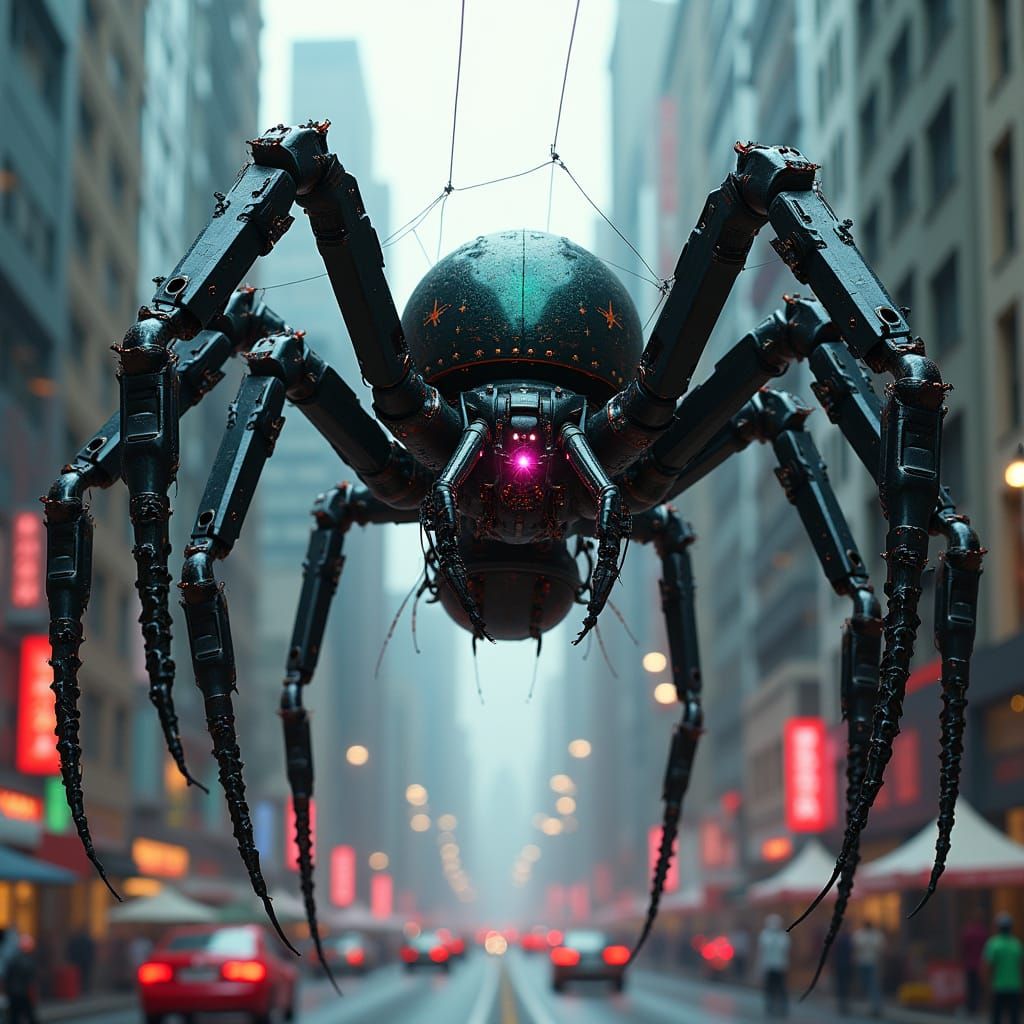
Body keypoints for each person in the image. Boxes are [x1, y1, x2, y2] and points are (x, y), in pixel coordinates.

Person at [984, 912, 1023, 1024]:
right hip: (1014, 986)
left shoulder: (993, 944)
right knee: (1014, 1018)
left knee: (997, 1017)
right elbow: (1021, 966)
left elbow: (987, 966)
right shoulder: (1016, 944)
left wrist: (986, 984)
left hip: (998, 986)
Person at [757, 914, 790, 1017]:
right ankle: (770, 1007)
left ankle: (782, 1007)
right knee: (769, 988)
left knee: (781, 988)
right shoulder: (765, 935)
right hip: (769, 966)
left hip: (780, 966)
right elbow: (761, 952)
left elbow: (786, 951)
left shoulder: (783, 936)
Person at [853, 919, 885, 1017]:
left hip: (872, 963)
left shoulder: (876, 935)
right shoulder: (859, 934)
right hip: (862, 962)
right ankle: (871, 1006)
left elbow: (881, 948)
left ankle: (875, 1007)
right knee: (866, 985)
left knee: (873, 985)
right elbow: (855, 948)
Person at [4, 934, 39, 1024]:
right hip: (22, 993)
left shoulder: (13, 958)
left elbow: (7, 976)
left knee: (14, 1017)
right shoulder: (26, 960)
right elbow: (30, 978)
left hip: (13, 992)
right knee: (29, 1016)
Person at [963, 909, 990, 1016]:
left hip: (969, 963)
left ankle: (971, 1007)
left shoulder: (968, 931)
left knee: (970, 986)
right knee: (979, 987)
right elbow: (986, 948)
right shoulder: (983, 932)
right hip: (980, 964)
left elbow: (964, 947)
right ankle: (978, 1006)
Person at [66, 927, 95, 994]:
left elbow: (70, 951)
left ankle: (83, 989)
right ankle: (84, 989)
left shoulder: (76, 940)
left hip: (81, 961)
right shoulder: (85, 940)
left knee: (82, 976)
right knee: (84, 976)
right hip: (84, 960)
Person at [834, 928, 854, 1016]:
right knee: (846, 985)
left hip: (839, 965)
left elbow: (834, 954)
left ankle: (842, 1003)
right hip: (847, 966)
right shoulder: (849, 940)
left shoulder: (838, 940)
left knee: (841, 985)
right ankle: (845, 1003)